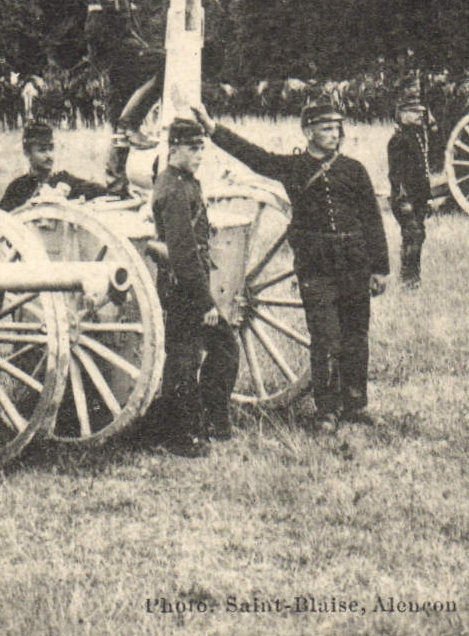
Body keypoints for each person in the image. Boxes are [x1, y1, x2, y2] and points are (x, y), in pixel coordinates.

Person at [197, 102, 389, 432]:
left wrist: (380, 268)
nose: (334, 134)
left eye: (337, 128)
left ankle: (356, 404)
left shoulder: (354, 170)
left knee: (356, 337)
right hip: (317, 269)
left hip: (355, 265)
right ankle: (327, 410)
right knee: (325, 338)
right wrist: (213, 129)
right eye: (327, 128)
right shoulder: (294, 168)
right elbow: (253, 155)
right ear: (309, 132)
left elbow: (372, 219)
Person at [147, 118, 239, 456]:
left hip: (187, 284)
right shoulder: (172, 189)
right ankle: (184, 436)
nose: (200, 154)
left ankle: (206, 423)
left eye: (202, 147)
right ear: (173, 148)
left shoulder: (183, 182)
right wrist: (206, 303)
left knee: (201, 354)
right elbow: (183, 253)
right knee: (187, 359)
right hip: (183, 287)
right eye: (192, 147)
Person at [82, 0, 179, 191]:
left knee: (122, 99)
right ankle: (128, 127)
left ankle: (116, 179)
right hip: (106, 26)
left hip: (124, 25)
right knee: (164, 65)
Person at [0, 121, 107, 211]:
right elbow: (1, 221)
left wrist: (66, 193)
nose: (49, 155)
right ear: (27, 153)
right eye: (42, 150)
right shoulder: (17, 188)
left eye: (51, 149)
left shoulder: (64, 180)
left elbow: (101, 190)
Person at [386, 94, 431, 289]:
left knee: (416, 235)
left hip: (418, 197)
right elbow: (396, 175)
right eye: (414, 112)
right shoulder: (398, 140)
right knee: (413, 234)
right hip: (406, 198)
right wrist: (403, 200)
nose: (420, 114)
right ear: (402, 115)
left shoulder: (416, 137)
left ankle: (413, 276)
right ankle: (408, 278)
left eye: (420, 111)